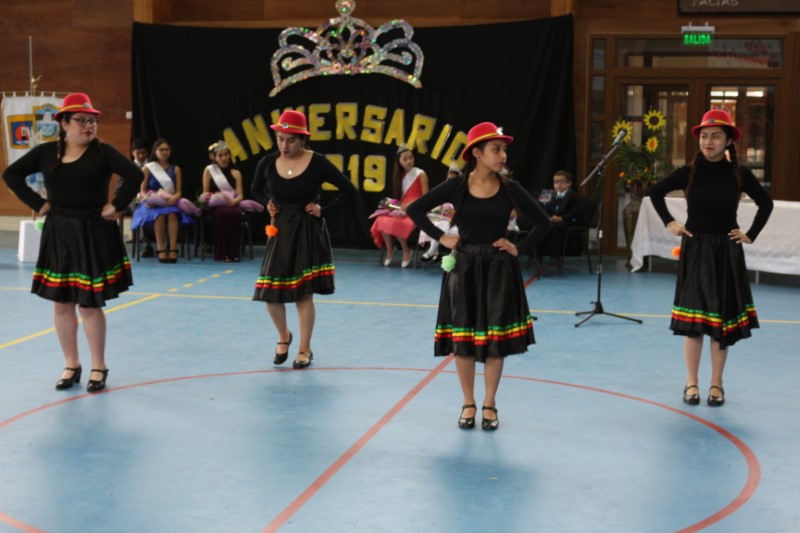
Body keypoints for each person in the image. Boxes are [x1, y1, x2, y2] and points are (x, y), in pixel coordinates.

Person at [407, 122, 552, 430]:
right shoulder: (457, 186)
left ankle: (489, 403)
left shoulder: (510, 187)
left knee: (496, 341)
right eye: (496, 149)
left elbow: (543, 223)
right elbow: (415, 209)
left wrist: (518, 248)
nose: (503, 156)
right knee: (464, 340)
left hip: (499, 269)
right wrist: (442, 237)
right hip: (464, 268)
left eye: (504, 150)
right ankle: (468, 402)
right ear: (476, 153)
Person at [2, 92, 143, 392]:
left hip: (92, 232)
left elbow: (134, 175)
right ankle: (71, 364)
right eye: (81, 120)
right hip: (59, 232)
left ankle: (98, 365)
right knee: (62, 304)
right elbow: (11, 174)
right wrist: (38, 203)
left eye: (92, 121)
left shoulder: (103, 152)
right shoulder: (46, 153)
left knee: (89, 305)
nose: (89, 126)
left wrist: (116, 204)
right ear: (64, 123)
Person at [648, 109, 773, 407]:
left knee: (721, 324)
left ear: (728, 141)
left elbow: (765, 204)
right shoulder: (688, 172)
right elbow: (655, 192)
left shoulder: (739, 174)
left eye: (716, 136)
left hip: (726, 252)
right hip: (696, 250)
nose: (709, 141)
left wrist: (750, 234)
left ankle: (717, 383)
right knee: (693, 322)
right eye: (704, 136)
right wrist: (670, 223)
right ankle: (691, 382)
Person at [251, 110, 358, 369]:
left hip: (308, 230)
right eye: (280, 139)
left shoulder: (317, 162)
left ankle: (304, 349)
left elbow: (349, 191)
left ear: (302, 140)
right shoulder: (267, 162)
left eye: (290, 140)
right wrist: (268, 202)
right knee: (270, 293)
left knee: (303, 295)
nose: (284, 145)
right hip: (280, 229)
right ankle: (283, 336)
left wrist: (324, 211)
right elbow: (256, 189)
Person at [130, 138, 195, 263]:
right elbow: (142, 190)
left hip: (170, 202)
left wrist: (174, 198)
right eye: (161, 150)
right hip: (152, 204)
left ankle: (172, 248)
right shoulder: (148, 168)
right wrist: (149, 200)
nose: (164, 152)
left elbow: (179, 191)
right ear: (155, 151)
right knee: (159, 215)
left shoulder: (176, 169)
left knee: (172, 214)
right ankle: (161, 248)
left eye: (167, 149)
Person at [369, 145, 429, 267]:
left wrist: (411, 204)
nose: (409, 161)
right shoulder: (399, 176)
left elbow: (426, 197)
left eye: (411, 158)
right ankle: (390, 249)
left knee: (396, 222)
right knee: (381, 219)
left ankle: (406, 250)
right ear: (399, 161)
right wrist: (391, 204)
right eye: (405, 159)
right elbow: (399, 198)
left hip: (416, 208)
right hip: (402, 207)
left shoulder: (421, 174)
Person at [201, 141, 245, 262]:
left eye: (226, 154)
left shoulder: (236, 173)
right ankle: (222, 252)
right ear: (215, 158)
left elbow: (240, 195)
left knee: (235, 213)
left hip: (232, 204)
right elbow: (206, 194)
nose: (224, 158)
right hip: (215, 206)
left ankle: (234, 252)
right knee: (222, 213)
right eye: (220, 155)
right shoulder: (209, 171)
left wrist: (233, 202)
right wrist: (218, 199)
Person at [418, 162, 461, 262]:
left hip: (458, 224)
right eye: (448, 180)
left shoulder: (463, 193)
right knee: (435, 225)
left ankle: (435, 252)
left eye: (453, 180)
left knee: (441, 227)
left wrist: (453, 211)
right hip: (443, 220)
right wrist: (439, 210)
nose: (450, 182)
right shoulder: (443, 191)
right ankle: (434, 252)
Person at [537, 170, 577, 262]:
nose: (558, 184)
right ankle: (536, 255)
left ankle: (555, 255)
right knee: (538, 226)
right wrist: (548, 217)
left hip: (565, 221)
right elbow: (541, 208)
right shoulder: (548, 193)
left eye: (562, 182)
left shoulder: (572, 195)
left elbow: (574, 212)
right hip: (550, 219)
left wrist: (561, 218)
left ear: (569, 183)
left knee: (554, 228)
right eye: (556, 182)